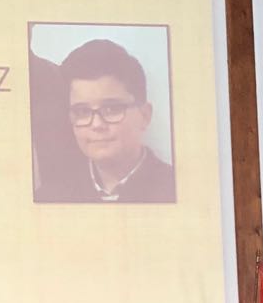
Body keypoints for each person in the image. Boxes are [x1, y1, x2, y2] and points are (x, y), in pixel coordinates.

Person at [36, 38, 175, 204]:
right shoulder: (48, 198)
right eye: (82, 111)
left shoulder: (179, 189)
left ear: (145, 115)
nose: (97, 124)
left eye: (111, 109)